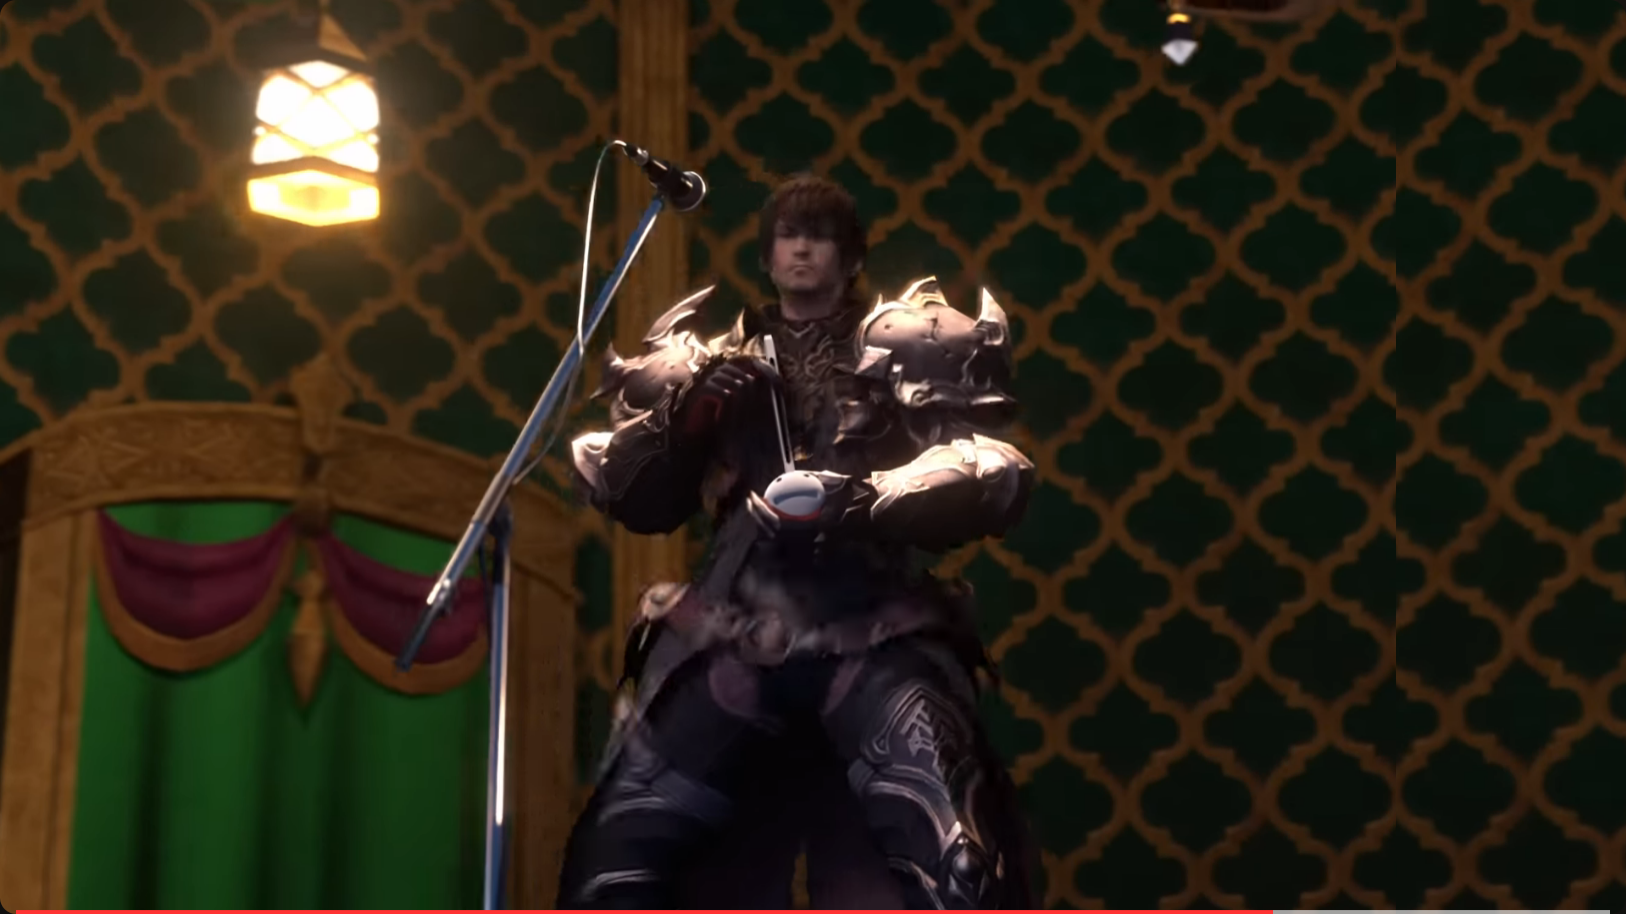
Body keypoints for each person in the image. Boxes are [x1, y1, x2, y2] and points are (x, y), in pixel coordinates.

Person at [559, 174, 1037, 909]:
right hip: (737, 631)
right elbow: (626, 489)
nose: (803, 249)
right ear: (768, 255)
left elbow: (995, 469)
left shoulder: (907, 342)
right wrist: (688, 419)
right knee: (609, 872)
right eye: (789, 235)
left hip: (870, 629)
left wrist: (871, 498)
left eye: (819, 236)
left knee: (960, 867)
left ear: (851, 257)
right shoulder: (709, 360)